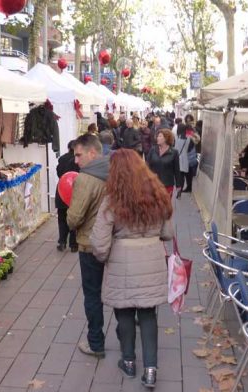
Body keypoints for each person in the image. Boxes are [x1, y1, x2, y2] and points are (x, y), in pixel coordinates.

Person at [90, 149, 173, 388]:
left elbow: (99, 243)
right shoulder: (158, 196)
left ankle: (128, 361)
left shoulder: (112, 201)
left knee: (124, 313)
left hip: (121, 262)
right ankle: (150, 370)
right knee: (148, 315)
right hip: (152, 260)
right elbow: (168, 234)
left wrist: (104, 257)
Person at [67, 134, 110, 358]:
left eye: (79, 154)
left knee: (92, 294)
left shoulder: (85, 179)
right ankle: (126, 339)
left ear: (92, 153)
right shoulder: (115, 173)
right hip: (113, 242)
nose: (76, 160)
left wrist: (68, 217)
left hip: (89, 244)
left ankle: (96, 342)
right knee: (116, 292)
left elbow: (74, 218)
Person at [56, 140, 79, 252]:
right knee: (73, 218)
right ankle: (74, 244)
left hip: (62, 190)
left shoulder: (62, 159)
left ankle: (62, 242)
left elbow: (59, 173)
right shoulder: (79, 160)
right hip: (75, 192)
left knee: (62, 218)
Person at [146, 129, 182, 196]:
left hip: (167, 185)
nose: (157, 138)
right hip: (153, 184)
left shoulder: (174, 152)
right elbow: (147, 166)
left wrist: (178, 186)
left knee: (165, 205)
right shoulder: (153, 150)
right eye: (157, 136)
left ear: (166, 138)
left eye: (160, 136)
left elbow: (177, 170)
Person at [174, 124, 200, 195]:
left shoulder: (182, 136)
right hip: (189, 158)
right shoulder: (188, 136)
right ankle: (188, 187)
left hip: (187, 158)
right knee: (188, 174)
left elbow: (195, 142)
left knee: (183, 174)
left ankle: (185, 188)